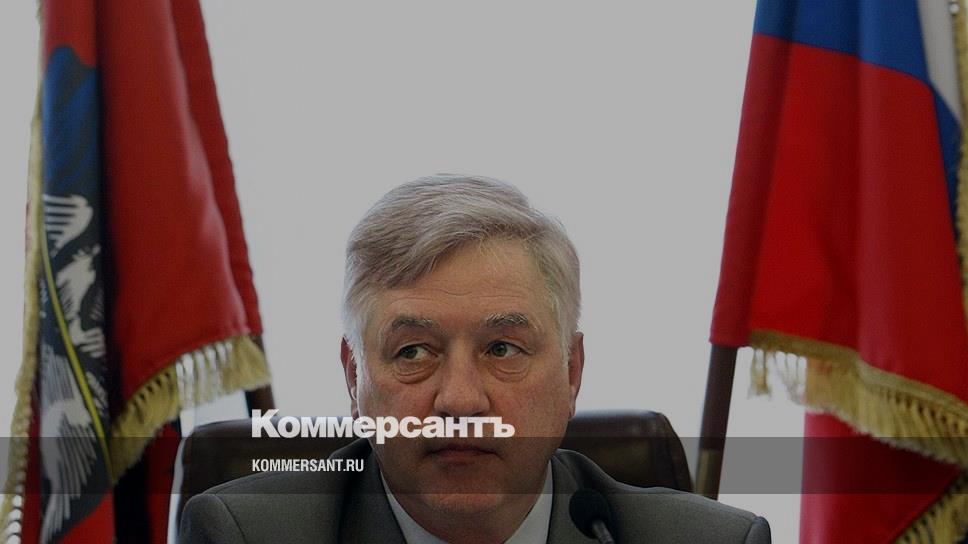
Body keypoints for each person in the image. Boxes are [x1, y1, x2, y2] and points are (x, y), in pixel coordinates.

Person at [179, 174, 771, 543]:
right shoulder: (245, 537)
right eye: (414, 351)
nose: (460, 401)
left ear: (572, 372)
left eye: (501, 349)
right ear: (355, 377)